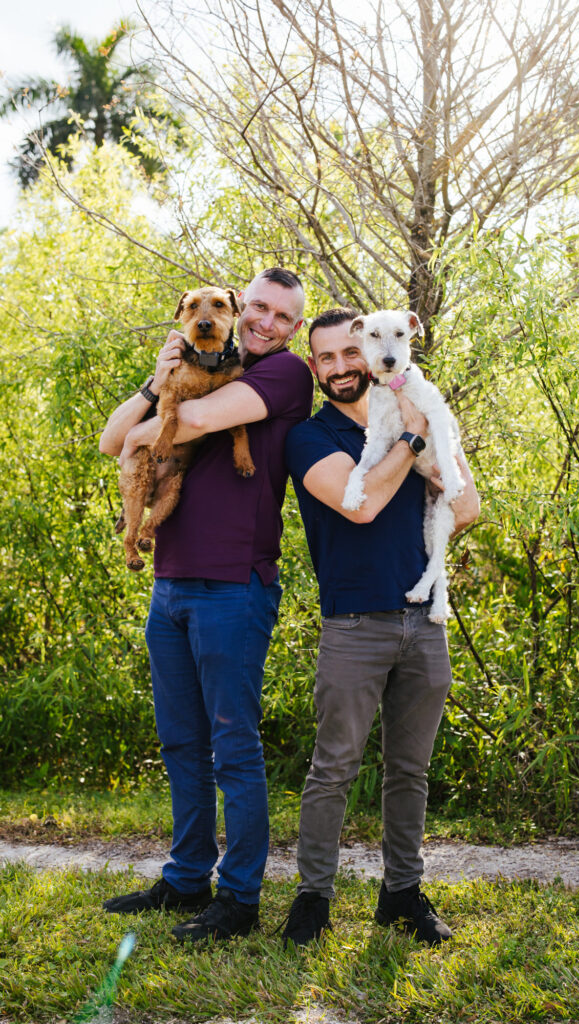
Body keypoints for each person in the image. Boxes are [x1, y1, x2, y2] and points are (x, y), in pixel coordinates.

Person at [98, 268, 313, 942]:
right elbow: (111, 439)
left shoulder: (282, 376)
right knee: (181, 741)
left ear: (295, 329)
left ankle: (239, 898)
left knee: (232, 747)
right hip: (172, 581)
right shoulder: (201, 361)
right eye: (257, 308)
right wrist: (152, 377)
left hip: (233, 584)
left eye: (281, 316)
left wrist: (155, 411)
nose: (265, 323)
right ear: (237, 307)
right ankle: (186, 876)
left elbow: (185, 423)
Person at [281, 307, 480, 948]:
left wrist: (421, 442)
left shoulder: (419, 408)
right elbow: (358, 505)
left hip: (425, 622)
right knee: (333, 766)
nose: (341, 366)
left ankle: (402, 895)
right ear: (314, 367)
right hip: (355, 622)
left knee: (410, 770)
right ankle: (314, 898)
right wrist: (415, 444)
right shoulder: (309, 439)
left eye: (349, 353)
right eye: (327, 358)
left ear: (372, 352)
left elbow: (468, 505)